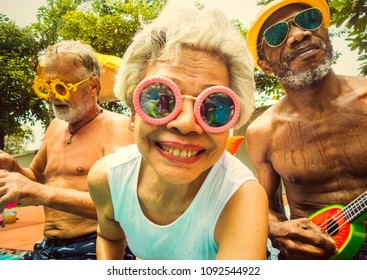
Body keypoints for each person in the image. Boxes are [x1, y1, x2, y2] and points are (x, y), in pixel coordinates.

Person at [87, 5, 269, 260]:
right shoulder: (108, 178)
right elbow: (108, 236)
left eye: (214, 107)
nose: (185, 123)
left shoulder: (239, 198)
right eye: (160, 99)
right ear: (132, 112)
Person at [245, 0, 367, 259]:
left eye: (309, 19)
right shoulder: (263, 132)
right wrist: (277, 228)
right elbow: (268, 208)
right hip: (313, 257)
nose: (299, 34)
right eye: (277, 35)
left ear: (325, 31)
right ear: (265, 65)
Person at [0, 40, 135, 260]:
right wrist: (13, 167)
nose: (53, 96)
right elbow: (37, 177)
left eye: (62, 87)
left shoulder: (118, 128)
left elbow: (120, 208)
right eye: (47, 87)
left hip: (93, 246)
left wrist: (39, 193)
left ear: (93, 86)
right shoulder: (55, 127)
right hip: (47, 247)